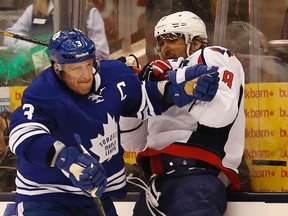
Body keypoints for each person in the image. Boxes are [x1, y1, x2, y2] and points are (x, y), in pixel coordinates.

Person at [8, 27, 220, 216]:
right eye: (76, 68)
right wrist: (68, 160)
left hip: (96, 191)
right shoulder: (42, 93)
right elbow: (23, 135)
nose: (85, 75)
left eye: (88, 64)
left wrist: (181, 90)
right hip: (46, 194)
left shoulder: (114, 76)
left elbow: (145, 97)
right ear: (57, 68)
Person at [120, 11, 245, 215]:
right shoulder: (157, 75)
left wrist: (175, 82)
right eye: (160, 42)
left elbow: (221, 114)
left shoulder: (213, 55)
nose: (164, 47)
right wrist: (128, 98)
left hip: (195, 182)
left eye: (171, 39)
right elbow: (132, 142)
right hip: (154, 185)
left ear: (195, 43)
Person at [3, 0, 110, 59]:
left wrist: (76, 54)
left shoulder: (90, 12)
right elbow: (9, 36)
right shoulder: (34, 10)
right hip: (40, 75)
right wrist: (33, 48)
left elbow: (102, 53)